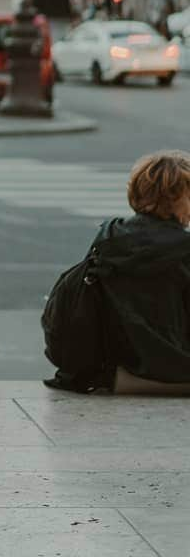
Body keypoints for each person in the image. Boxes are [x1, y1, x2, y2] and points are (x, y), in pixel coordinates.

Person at [44, 151, 190, 395]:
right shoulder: (185, 250)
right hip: (178, 369)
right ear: (178, 199)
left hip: (111, 369)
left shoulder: (109, 240)